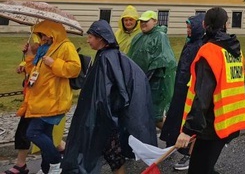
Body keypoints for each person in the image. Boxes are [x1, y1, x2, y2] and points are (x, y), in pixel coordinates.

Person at [61, 20, 158, 174]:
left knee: (112, 156)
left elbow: (106, 92)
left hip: (104, 120)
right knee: (114, 156)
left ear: (101, 38)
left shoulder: (107, 59)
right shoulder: (108, 56)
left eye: (91, 37)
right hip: (106, 118)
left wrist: (103, 116)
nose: (88, 40)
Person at [176, 8, 245, 174]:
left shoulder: (209, 51)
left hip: (210, 125)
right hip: (229, 121)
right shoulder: (236, 50)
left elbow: (203, 94)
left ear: (203, 24)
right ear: (226, 25)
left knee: (198, 170)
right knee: (205, 168)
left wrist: (188, 130)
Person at [20, 21, 81, 174]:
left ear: (53, 33)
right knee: (46, 135)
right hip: (41, 98)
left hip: (53, 99)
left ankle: (56, 162)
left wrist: (54, 63)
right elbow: (34, 70)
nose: (42, 38)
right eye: (40, 35)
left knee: (33, 133)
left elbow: (74, 68)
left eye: (44, 35)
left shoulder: (66, 46)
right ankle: (46, 168)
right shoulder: (42, 49)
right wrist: (28, 55)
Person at [160, 13, 205, 171]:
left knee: (189, 122)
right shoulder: (191, 43)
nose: (187, 30)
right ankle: (174, 145)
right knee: (177, 118)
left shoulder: (199, 45)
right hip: (182, 87)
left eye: (190, 27)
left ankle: (189, 154)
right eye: (187, 27)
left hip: (190, 90)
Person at [127, 10, 177, 126]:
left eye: (146, 21)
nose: (143, 24)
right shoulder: (138, 37)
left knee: (154, 116)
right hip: (139, 81)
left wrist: (151, 76)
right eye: (141, 21)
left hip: (154, 84)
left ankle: (173, 138)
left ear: (155, 21)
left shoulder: (160, 36)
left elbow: (166, 61)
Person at [4, 36, 40, 174]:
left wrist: (31, 53)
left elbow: (39, 69)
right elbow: (32, 68)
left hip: (39, 99)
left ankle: (59, 158)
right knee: (41, 132)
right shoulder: (37, 37)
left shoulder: (47, 47)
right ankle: (21, 165)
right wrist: (26, 57)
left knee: (29, 132)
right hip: (31, 97)